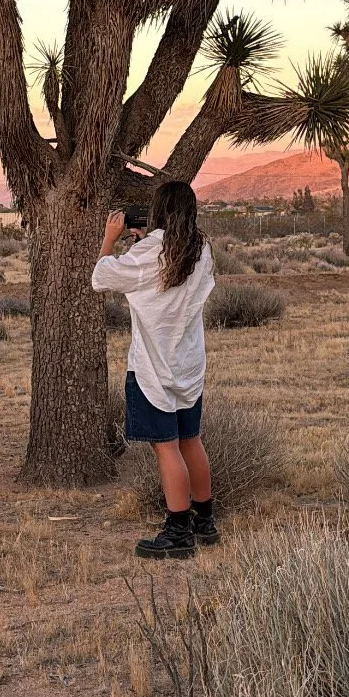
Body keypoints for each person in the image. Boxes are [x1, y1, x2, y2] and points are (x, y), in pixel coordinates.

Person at [92, 180, 217, 559]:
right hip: (189, 363)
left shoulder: (153, 250)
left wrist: (110, 239)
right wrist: (144, 241)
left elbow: (103, 277)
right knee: (190, 440)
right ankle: (205, 521)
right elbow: (163, 269)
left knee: (166, 449)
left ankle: (178, 531)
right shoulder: (201, 248)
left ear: (159, 208)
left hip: (153, 364)